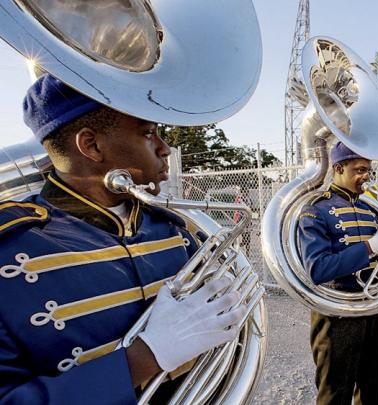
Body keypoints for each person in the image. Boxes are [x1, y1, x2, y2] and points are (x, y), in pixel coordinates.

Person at [0, 75, 245, 403]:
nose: (164, 147)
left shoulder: (173, 228)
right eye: (148, 133)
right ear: (91, 146)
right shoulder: (11, 249)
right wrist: (143, 358)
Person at [297, 142, 378, 405]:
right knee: (334, 394)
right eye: (359, 169)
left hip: (371, 307)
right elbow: (318, 269)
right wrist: (371, 247)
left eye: (368, 170)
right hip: (336, 312)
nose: (366, 176)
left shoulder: (368, 208)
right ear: (338, 168)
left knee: (372, 390)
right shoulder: (316, 210)